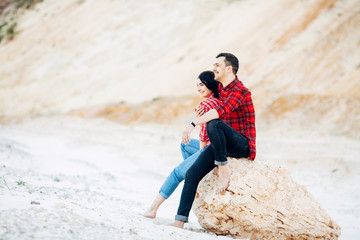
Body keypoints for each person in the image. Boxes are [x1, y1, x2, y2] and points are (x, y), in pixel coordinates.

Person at [171, 53, 256, 228]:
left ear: (229, 68)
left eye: (217, 65)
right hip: (222, 143)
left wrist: (192, 123)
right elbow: (210, 106)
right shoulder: (222, 91)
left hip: (242, 144)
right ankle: (179, 221)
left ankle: (223, 168)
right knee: (191, 174)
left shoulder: (240, 91)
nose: (213, 68)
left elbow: (219, 112)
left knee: (214, 123)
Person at [143, 71, 220, 218]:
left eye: (202, 85)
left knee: (176, 173)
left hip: (211, 149)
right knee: (186, 144)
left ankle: (152, 209)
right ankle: (194, 173)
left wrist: (202, 156)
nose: (198, 88)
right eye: (197, 85)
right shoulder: (218, 100)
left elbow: (204, 133)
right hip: (218, 146)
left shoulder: (207, 104)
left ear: (210, 85)